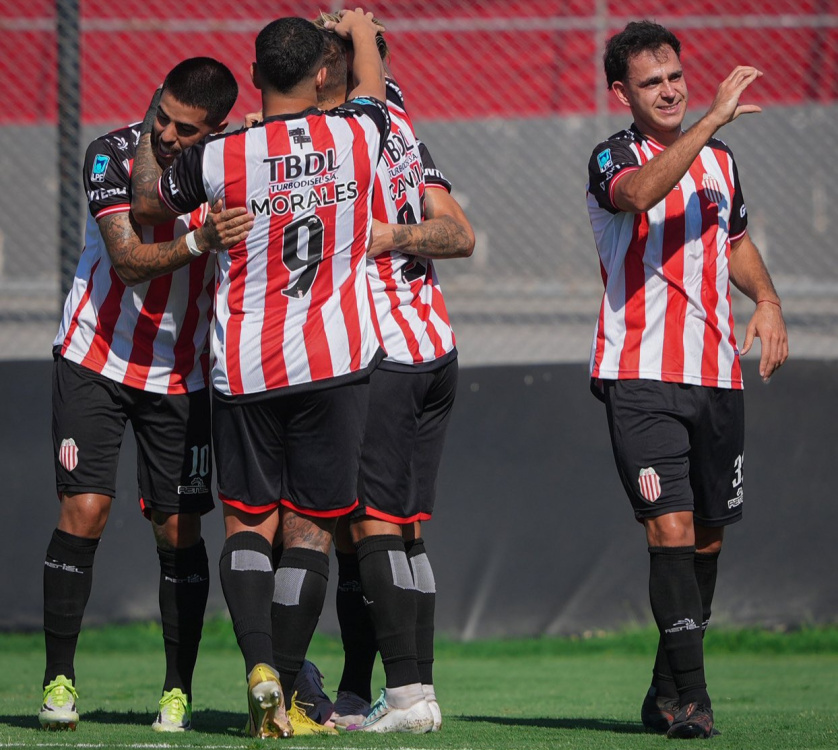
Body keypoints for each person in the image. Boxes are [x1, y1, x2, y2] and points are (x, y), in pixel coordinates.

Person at [130, 10, 391, 739]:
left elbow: (148, 197)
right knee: (310, 533)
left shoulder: (221, 157)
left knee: (248, 522)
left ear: (251, 77)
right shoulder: (358, 134)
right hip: (334, 363)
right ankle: (287, 688)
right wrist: (359, 30)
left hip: (246, 366)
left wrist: (155, 124)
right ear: (322, 75)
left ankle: (261, 672)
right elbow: (373, 89)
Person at [585, 21, 788, 739]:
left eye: (674, 76)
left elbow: (735, 242)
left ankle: (665, 690)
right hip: (640, 374)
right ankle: (695, 703)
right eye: (652, 82)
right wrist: (708, 122)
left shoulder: (721, 160)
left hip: (717, 375)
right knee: (668, 528)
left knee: (706, 542)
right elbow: (641, 194)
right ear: (623, 93)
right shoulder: (612, 156)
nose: (669, 90)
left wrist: (768, 301)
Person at [40, 58, 248, 733]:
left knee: (178, 528)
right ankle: (58, 681)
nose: (166, 133)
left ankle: (176, 690)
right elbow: (128, 262)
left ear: (216, 129)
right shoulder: (109, 154)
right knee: (86, 509)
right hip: (94, 357)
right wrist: (201, 238)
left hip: (181, 374)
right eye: (162, 116)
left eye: (186, 129)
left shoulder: (232, 166)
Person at [310, 15, 474, 734]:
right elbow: (458, 233)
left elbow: (459, 236)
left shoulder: (347, 129)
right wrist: (402, 234)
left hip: (382, 351)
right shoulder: (400, 125)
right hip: (435, 344)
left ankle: (404, 695)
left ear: (328, 71)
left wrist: (385, 237)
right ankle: (415, 692)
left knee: (368, 523)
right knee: (404, 530)